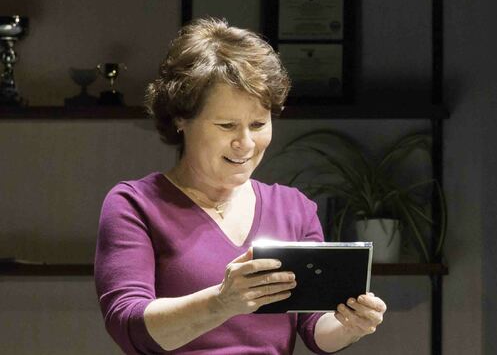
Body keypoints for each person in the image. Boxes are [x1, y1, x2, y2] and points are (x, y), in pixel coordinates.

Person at [95, 18, 386, 354]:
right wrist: (222, 302)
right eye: (227, 125)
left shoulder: (293, 208)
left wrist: (351, 324)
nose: (245, 143)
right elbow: (129, 326)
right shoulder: (135, 204)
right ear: (180, 120)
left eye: (259, 124)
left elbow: (313, 327)